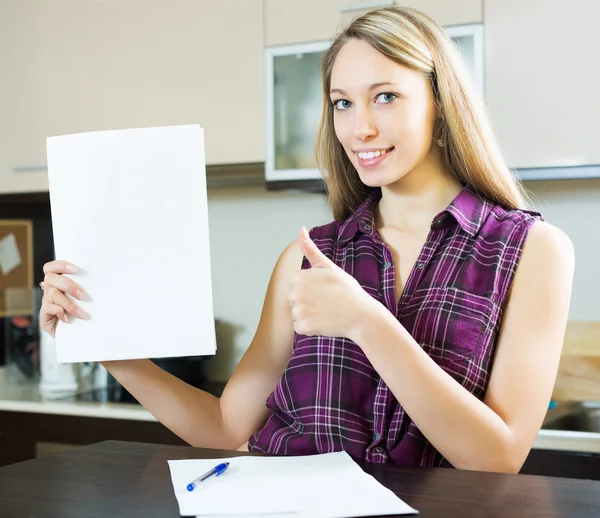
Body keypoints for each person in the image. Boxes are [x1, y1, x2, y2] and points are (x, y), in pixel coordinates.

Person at [39, 6, 574, 473]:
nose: (359, 127)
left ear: (441, 103)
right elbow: (226, 428)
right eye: (342, 103)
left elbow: (498, 458)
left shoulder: (531, 250)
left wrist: (368, 323)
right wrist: (102, 342)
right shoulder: (309, 255)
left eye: (385, 97)